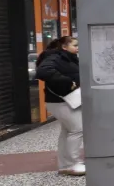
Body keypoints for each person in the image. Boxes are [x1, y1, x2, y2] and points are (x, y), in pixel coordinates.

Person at [36, 36, 85, 176]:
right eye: (74, 45)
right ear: (64, 47)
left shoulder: (68, 58)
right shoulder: (55, 57)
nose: (77, 47)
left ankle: (65, 165)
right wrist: (68, 82)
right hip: (60, 101)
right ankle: (71, 164)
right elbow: (43, 72)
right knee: (78, 129)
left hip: (65, 100)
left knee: (67, 131)